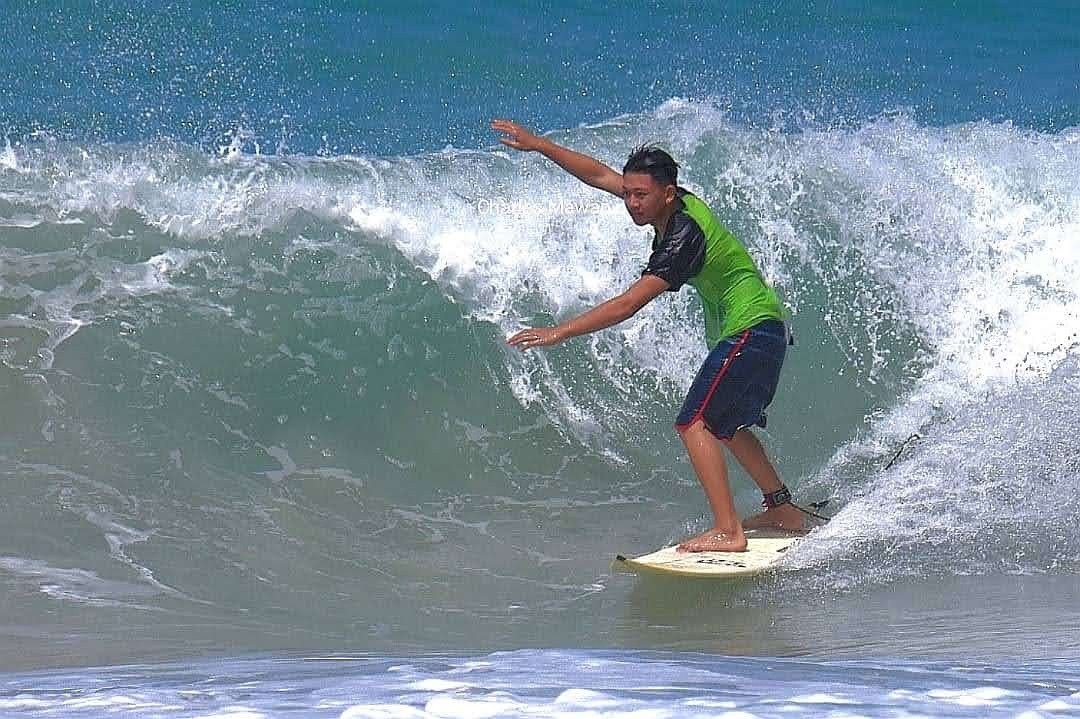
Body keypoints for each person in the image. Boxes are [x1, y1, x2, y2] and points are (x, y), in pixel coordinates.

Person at [491, 119, 807, 552]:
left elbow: (628, 304)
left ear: (668, 193)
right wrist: (541, 145)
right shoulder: (670, 205)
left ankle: (728, 531)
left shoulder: (683, 238)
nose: (631, 203)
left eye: (640, 195)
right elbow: (599, 175)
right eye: (628, 194)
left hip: (751, 328)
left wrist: (559, 331)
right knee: (727, 424)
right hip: (760, 327)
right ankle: (782, 509)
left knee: (693, 423)